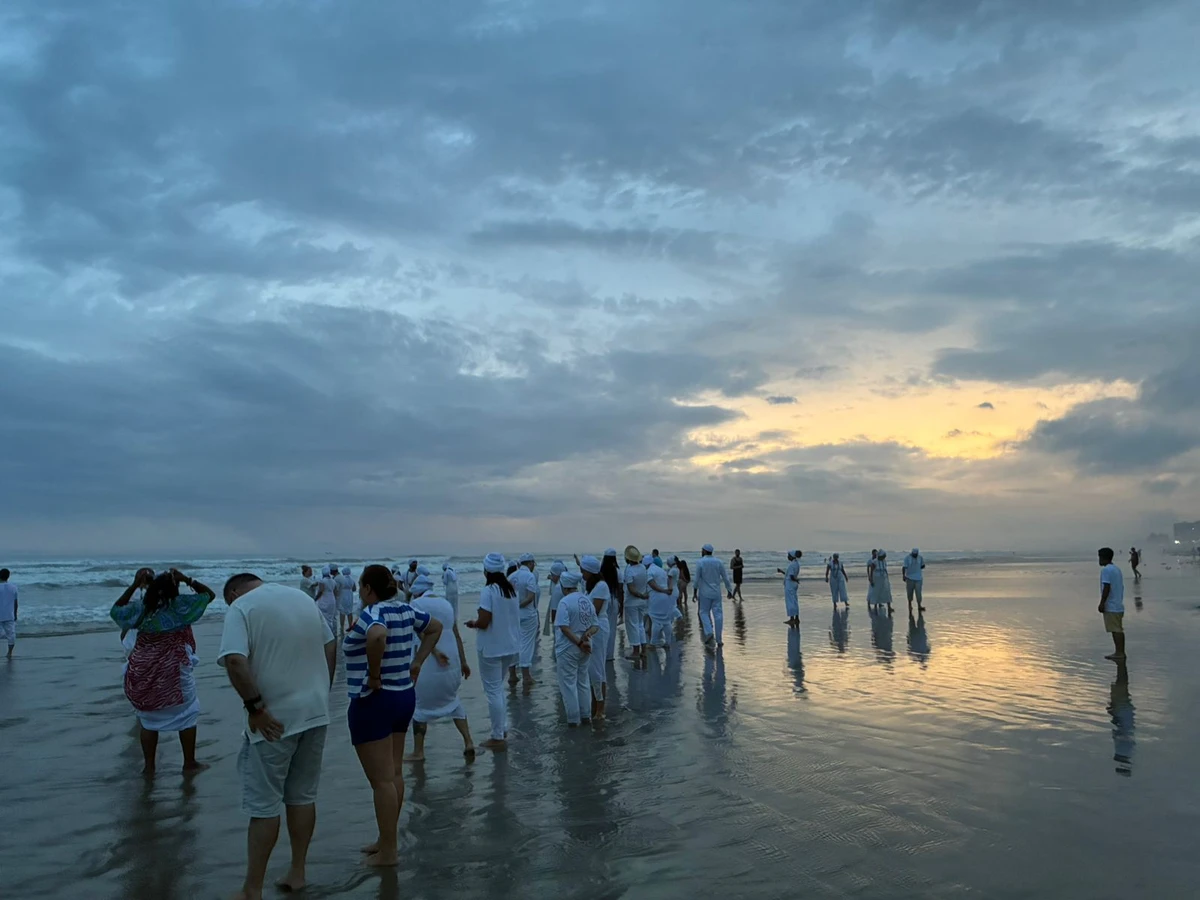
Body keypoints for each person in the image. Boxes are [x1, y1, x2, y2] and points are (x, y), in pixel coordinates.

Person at [219, 572, 338, 899]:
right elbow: (330, 644)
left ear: (232, 592)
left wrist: (255, 707)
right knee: (302, 795)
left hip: (274, 720)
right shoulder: (302, 599)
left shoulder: (240, 607)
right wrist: (320, 691)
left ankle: (252, 889)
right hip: (314, 712)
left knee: (265, 804)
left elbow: (234, 660)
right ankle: (297, 871)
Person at [343, 565, 441, 867]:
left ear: (369, 589)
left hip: (374, 700)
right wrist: (417, 661)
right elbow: (435, 627)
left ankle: (389, 852)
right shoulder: (406, 609)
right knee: (394, 773)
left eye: (361, 586)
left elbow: (376, 637)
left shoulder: (374, 613)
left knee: (382, 781)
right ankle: (386, 840)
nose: (359, 591)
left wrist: (373, 675)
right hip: (403, 697)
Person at [110, 569, 215, 776]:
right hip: (173, 669)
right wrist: (187, 580)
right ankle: (189, 763)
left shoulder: (141, 610)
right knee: (187, 714)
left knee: (148, 720)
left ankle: (149, 767)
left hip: (142, 668)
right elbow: (208, 595)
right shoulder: (180, 607)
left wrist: (134, 585)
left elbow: (116, 610)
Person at [407, 573, 475, 760]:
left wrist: (435, 653)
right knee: (452, 701)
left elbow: (422, 633)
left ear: (416, 592)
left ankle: (418, 752)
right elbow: (457, 634)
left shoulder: (417, 605)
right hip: (452, 659)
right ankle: (468, 741)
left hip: (429, 662)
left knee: (420, 704)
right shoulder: (446, 604)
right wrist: (463, 662)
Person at [465, 553, 520, 751]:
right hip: (510, 646)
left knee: (493, 691)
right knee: (499, 688)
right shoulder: (511, 590)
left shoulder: (488, 591)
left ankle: (497, 736)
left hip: (492, 648)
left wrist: (474, 623)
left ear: (487, 571)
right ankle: (502, 727)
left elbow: (485, 620)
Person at [554, 571, 596, 726]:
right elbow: (595, 625)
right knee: (583, 681)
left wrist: (578, 642)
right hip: (586, 647)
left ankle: (573, 720)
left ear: (565, 587)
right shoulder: (587, 600)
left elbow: (564, 628)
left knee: (568, 685)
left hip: (568, 648)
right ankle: (586, 716)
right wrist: (586, 636)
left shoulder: (564, 602)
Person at [580, 555, 612, 719]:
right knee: (593, 668)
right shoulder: (591, 587)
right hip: (591, 628)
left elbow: (595, 611)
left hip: (597, 628)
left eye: (583, 571)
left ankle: (600, 709)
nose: (582, 574)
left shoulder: (601, 586)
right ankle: (596, 703)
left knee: (596, 668)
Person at [508, 553, 540, 687]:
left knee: (514, 642)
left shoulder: (511, 576)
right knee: (526, 644)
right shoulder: (530, 576)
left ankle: (512, 675)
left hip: (513, 616)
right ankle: (526, 676)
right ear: (531, 563)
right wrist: (519, 606)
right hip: (528, 614)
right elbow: (530, 597)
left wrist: (513, 608)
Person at [695, 544, 733, 650]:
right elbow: (725, 577)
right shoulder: (718, 562)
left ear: (704, 551)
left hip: (704, 592)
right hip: (716, 592)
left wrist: (694, 590)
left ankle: (708, 632)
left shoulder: (700, 562)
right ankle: (719, 640)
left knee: (703, 612)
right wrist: (729, 590)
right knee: (718, 614)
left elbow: (696, 578)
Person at [622, 546, 651, 661]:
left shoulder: (629, 570)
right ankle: (643, 650)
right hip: (642, 602)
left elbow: (631, 589)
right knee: (640, 626)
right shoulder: (643, 567)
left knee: (633, 626)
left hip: (632, 602)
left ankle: (635, 651)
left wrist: (641, 595)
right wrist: (643, 596)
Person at [1098, 547, 1126, 661]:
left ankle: (1120, 652)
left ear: (1103, 558)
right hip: (1118, 604)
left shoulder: (1106, 570)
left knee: (1116, 630)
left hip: (1112, 605)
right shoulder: (1116, 569)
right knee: (1117, 629)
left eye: (1099, 557)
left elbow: (1107, 588)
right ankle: (1119, 651)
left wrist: (1102, 603)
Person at [647, 556, 677, 650]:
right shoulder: (661, 570)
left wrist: (663, 590)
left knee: (656, 620)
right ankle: (668, 642)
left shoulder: (649, 571)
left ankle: (653, 643)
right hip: (666, 597)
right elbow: (669, 580)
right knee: (666, 620)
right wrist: (668, 589)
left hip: (657, 597)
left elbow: (653, 585)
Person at [600, 549, 623, 661]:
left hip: (603, 600)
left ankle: (601, 653)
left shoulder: (601, 571)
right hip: (614, 600)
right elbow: (620, 590)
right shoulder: (618, 571)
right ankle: (609, 655)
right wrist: (621, 606)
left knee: (602, 626)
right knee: (612, 628)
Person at [777, 551, 801, 626]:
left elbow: (791, 577)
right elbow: (789, 575)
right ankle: (796, 618)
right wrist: (782, 571)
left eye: (789, 555)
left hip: (790, 585)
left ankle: (792, 619)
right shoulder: (796, 564)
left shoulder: (791, 565)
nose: (788, 556)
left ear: (792, 556)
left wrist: (795, 579)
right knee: (794, 601)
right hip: (793, 584)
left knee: (790, 602)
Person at [313, 565, 339, 636]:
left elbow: (321, 591)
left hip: (324, 600)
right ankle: (333, 632)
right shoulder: (333, 581)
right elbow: (336, 592)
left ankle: (328, 633)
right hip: (332, 599)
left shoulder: (322, 581)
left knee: (325, 617)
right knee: (331, 617)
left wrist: (315, 599)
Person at [544, 560, 566, 636]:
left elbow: (554, 610)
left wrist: (554, 624)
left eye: (552, 574)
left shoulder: (558, 587)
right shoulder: (568, 584)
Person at [0, 568, 17, 659]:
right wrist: (15, 614)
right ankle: (9, 652)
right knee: (11, 635)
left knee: (4, 634)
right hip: (9, 614)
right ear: (8, 577)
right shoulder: (13, 587)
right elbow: (15, 602)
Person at [902, 548, 926, 612]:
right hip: (909, 578)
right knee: (909, 592)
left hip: (919, 578)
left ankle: (919, 605)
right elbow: (904, 567)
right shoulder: (907, 558)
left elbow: (923, 565)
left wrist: (917, 569)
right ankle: (910, 605)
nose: (915, 555)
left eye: (916, 554)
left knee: (918, 593)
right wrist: (904, 576)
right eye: (914, 554)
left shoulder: (920, 558)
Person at [335, 566, 356, 633]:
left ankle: (342, 627)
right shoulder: (352, 579)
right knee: (350, 611)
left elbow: (337, 588)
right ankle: (350, 626)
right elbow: (354, 589)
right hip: (350, 595)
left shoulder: (342, 579)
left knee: (342, 612)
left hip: (343, 594)